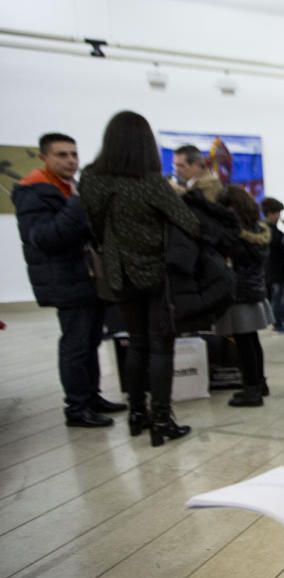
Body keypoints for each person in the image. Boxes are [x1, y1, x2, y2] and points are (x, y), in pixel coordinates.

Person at [80, 111, 200, 447]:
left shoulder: (90, 179)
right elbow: (188, 222)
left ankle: (136, 414)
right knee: (161, 345)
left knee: (136, 342)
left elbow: (91, 223)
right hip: (154, 273)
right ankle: (162, 421)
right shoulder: (148, 181)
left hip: (116, 274)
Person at [12, 132, 126, 427]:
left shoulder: (68, 188)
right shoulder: (33, 191)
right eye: (62, 155)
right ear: (44, 157)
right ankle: (76, 408)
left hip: (88, 277)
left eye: (73, 154)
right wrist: (78, 204)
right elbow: (44, 238)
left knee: (90, 341)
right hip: (65, 279)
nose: (71, 160)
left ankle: (91, 396)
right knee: (75, 345)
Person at [215, 186, 274, 406]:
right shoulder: (257, 230)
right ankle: (259, 383)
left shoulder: (234, 233)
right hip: (254, 289)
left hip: (239, 292)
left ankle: (252, 390)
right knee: (251, 341)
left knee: (244, 344)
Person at [261, 197, 284, 333]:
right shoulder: (268, 230)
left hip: (276, 270)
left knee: (282, 295)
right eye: (278, 213)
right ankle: (278, 324)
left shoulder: (271, 229)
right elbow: (279, 244)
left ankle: (281, 321)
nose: (279, 216)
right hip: (274, 270)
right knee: (277, 297)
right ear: (270, 213)